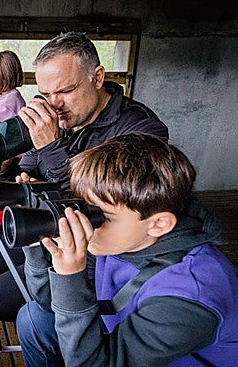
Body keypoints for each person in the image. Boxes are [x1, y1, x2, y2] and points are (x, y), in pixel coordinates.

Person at [0, 32, 169, 322]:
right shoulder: (61, 118)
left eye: (65, 90)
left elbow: (101, 206)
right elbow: (28, 170)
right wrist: (4, 161)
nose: (54, 104)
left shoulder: (142, 131)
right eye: (46, 94)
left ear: (97, 77)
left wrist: (51, 146)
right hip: (51, 227)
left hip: (97, 253)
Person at [16, 133, 238, 366]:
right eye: (81, 204)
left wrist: (71, 275)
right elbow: (48, 301)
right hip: (121, 327)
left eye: (101, 215)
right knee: (34, 319)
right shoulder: (122, 237)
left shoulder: (190, 295)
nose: (86, 221)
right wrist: (36, 239)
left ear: (159, 224)